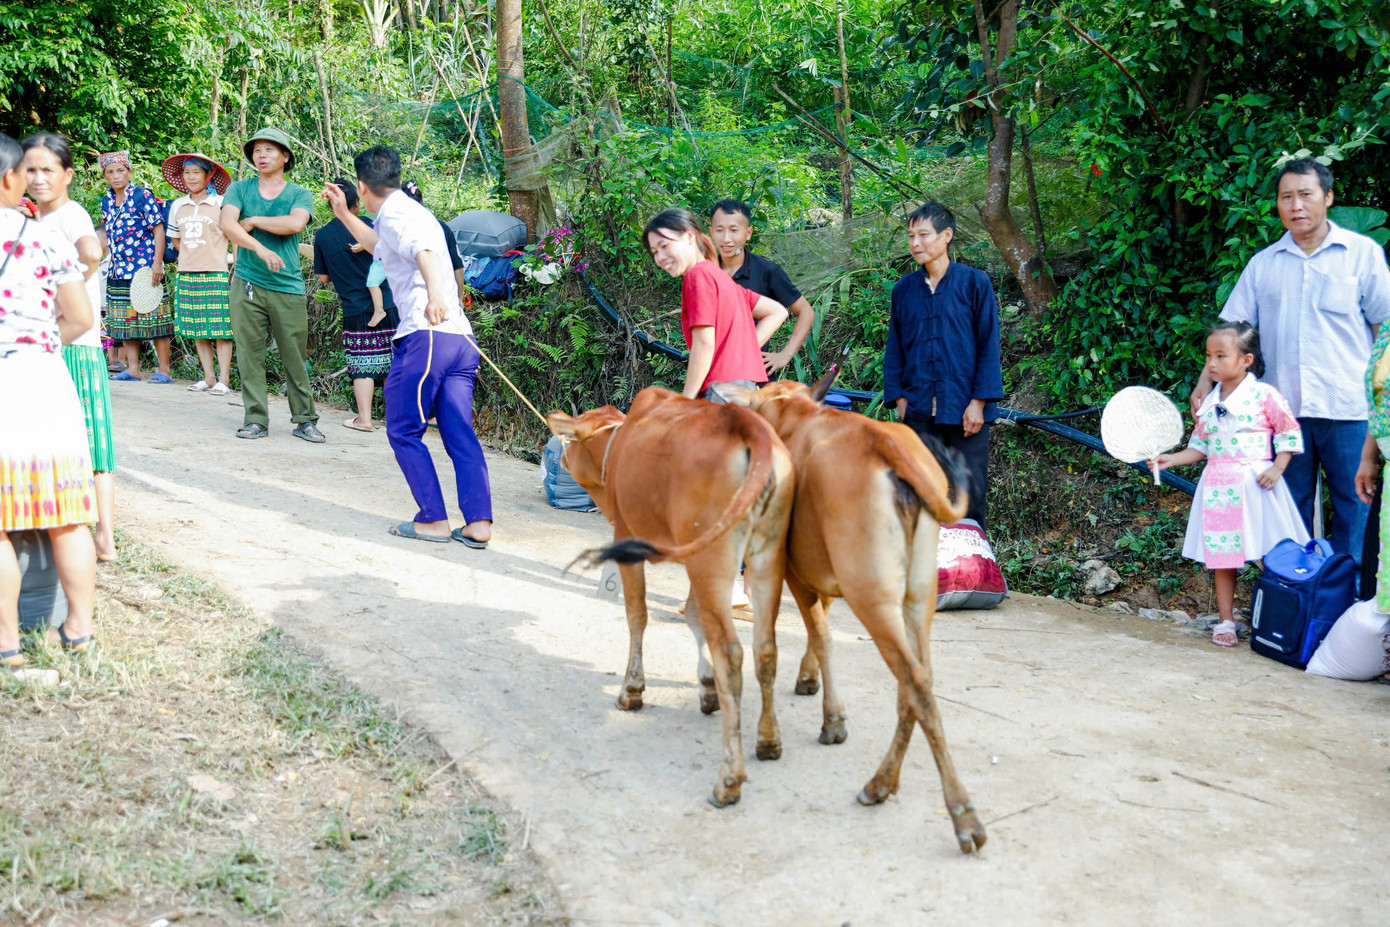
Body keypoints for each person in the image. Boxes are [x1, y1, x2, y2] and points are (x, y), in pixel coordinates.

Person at [1198, 158, 1390, 568]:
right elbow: (1232, 333)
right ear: (1278, 204)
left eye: (1306, 194)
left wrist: (1382, 400)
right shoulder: (1264, 265)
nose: (1296, 205)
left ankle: (1346, 609)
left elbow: (1384, 331)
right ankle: (1296, 603)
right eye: (1287, 197)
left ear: (1328, 198)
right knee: (1286, 509)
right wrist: (1206, 385)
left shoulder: (1362, 256)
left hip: (1349, 409)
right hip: (1282, 414)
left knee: (1355, 508)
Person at [322, 145, 492, 547]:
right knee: (457, 432)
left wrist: (435, 296)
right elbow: (380, 244)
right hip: (459, 340)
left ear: (362, 186)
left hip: (425, 334)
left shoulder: (397, 215)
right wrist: (344, 215)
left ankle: (432, 519)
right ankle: (477, 524)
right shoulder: (407, 212)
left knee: (402, 428)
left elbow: (426, 253)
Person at [0, 132, 99, 670]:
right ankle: (78, 631)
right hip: (44, 381)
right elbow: (81, 318)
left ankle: (7, 643)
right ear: (12, 179)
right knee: (67, 515)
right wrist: (35, 345)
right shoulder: (44, 240)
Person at [1156, 322, 1308, 647]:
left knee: (1272, 553)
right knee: (1223, 557)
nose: (1212, 363)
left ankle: (1282, 616)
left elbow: (1288, 431)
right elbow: (1202, 446)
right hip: (1218, 487)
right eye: (1209, 356)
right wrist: (1171, 459)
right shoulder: (1208, 402)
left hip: (1257, 486)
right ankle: (1226, 620)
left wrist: (1279, 467)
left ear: (1246, 360)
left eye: (1221, 356)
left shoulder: (1264, 395)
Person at [23, 133, 119, 563]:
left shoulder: (70, 213)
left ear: (68, 175)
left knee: (93, 444)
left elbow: (92, 253)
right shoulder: (35, 219)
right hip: (52, 345)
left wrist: (64, 299)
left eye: (48, 170)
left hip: (76, 344)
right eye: (31, 170)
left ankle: (105, 537)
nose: (39, 178)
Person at [882, 201, 1003, 530]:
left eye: (923, 235)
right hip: (919, 411)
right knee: (919, 493)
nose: (915, 243)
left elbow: (988, 345)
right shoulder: (903, 291)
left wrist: (979, 403)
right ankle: (927, 572)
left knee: (971, 495)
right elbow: (895, 348)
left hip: (967, 412)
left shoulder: (974, 284)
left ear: (946, 235)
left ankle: (974, 573)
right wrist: (900, 399)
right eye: (910, 236)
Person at [218, 127, 323, 442]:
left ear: (285, 156)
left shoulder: (299, 194)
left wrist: (253, 222)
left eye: (269, 150)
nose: (261, 155)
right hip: (247, 282)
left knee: (293, 354)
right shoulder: (239, 189)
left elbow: (294, 223)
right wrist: (259, 247)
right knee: (249, 355)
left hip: (287, 285)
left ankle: (305, 419)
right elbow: (226, 224)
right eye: (257, 150)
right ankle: (255, 419)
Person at [643, 208, 787, 400]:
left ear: (689, 236)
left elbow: (704, 343)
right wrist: (744, 350)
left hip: (722, 391)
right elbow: (777, 311)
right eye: (654, 252)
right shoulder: (722, 279)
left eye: (664, 245)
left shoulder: (697, 276)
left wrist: (685, 400)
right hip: (747, 390)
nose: (660, 258)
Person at [314, 178, 398, 432]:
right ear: (357, 203)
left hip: (354, 308)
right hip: (389, 304)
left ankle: (364, 419)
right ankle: (400, 418)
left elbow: (324, 278)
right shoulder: (373, 227)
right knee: (393, 362)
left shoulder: (323, 235)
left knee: (363, 365)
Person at [708, 199, 816, 375]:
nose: (726, 239)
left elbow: (806, 312)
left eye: (734, 230)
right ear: (711, 232)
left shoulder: (767, 271)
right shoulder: (705, 272)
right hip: (710, 372)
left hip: (751, 377)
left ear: (748, 233)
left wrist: (784, 355)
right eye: (720, 230)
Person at [163, 152, 235, 395]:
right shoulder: (178, 206)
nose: (191, 177)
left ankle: (224, 379)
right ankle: (209, 377)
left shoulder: (222, 203)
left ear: (208, 175)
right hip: (187, 273)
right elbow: (175, 238)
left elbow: (234, 236)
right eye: (186, 172)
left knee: (221, 328)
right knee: (195, 328)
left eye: (196, 172)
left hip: (215, 273)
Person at [99, 150, 174, 383]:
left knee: (155, 318)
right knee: (124, 321)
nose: (116, 175)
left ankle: (164, 370)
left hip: (144, 267)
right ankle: (133, 368)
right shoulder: (106, 200)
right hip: (117, 268)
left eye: (120, 170)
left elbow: (158, 229)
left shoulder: (142, 195)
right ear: (105, 176)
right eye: (110, 172)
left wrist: (157, 264)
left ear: (129, 172)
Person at [402, 179, 468, 300]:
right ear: (422, 201)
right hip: (445, 296)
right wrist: (459, 297)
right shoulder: (441, 227)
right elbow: (457, 266)